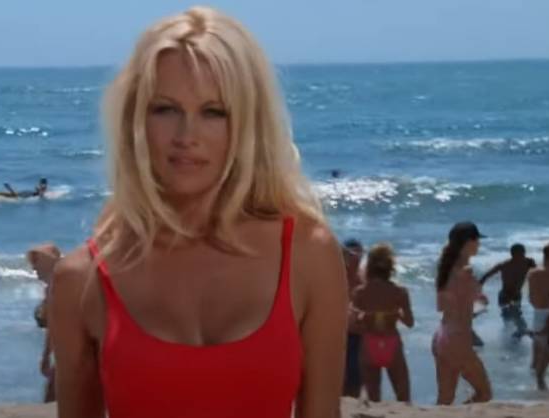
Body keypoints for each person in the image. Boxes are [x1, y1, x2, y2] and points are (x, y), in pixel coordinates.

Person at [45, 7, 348, 418]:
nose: (187, 136)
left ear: (246, 124)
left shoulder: (308, 257)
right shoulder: (82, 281)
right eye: (165, 109)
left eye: (213, 112)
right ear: (136, 120)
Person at [432, 222, 492, 405]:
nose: (479, 245)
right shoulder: (466, 271)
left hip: (441, 335)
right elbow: (472, 301)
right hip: (458, 337)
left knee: (445, 400)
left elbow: (441, 306)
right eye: (477, 240)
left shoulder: (446, 269)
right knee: (484, 394)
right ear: (468, 242)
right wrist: (480, 300)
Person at [352, 243, 414, 402]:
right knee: (403, 398)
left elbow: (355, 324)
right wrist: (396, 315)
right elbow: (409, 322)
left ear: (370, 266)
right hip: (392, 344)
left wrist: (368, 317)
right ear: (390, 266)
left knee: (374, 400)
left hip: (369, 344)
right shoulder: (400, 292)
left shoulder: (360, 292)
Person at [27, 243, 62, 403]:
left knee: (52, 395)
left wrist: (46, 356)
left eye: (37, 262)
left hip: (74, 348)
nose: (34, 267)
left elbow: (54, 324)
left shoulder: (57, 288)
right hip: (71, 347)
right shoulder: (54, 287)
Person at [479, 243, 536, 333]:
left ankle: (519, 334)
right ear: (512, 254)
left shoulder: (528, 263)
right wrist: (478, 288)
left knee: (516, 316)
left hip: (517, 295)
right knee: (508, 320)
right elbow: (486, 276)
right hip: (505, 296)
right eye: (520, 254)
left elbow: (539, 274)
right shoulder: (504, 265)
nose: (522, 256)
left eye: (523, 253)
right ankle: (510, 337)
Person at [528, 242, 549, 385]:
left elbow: (531, 299)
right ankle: (540, 384)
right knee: (548, 351)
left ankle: (532, 387)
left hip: (538, 314)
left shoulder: (533, 273)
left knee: (537, 355)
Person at [342, 238, 365, 398]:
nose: (355, 259)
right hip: (337, 335)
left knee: (355, 383)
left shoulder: (363, 280)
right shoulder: (335, 277)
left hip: (357, 336)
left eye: (359, 255)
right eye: (351, 255)